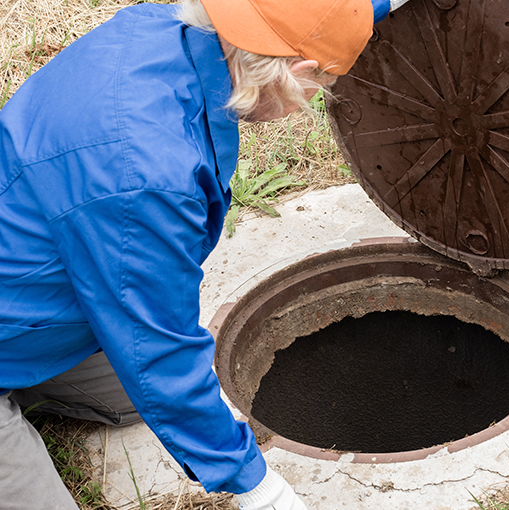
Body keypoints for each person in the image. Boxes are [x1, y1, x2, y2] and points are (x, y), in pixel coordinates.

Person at [0, 0, 406, 508]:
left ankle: (27, 376)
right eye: (316, 89)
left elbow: (306, 13)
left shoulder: (167, 28)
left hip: (32, 287)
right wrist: (255, 486)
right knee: (161, 384)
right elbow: (157, 350)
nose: (307, 102)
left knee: (147, 399)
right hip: (22, 309)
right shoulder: (144, 175)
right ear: (300, 72)